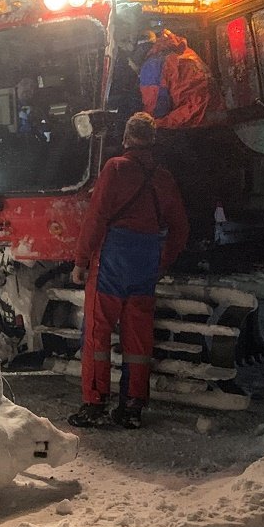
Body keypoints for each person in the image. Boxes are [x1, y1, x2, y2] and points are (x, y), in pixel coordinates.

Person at [68, 112, 190, 429]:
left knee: (97, 333)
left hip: (113, 259)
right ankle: (132, 406)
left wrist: (81, 261)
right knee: (138, 338)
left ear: (125, 139)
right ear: (152, 140)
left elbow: (96, 217)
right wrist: (160, 263)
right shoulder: (164, 178)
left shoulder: (116, 168)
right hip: (146, 260)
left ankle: (94, 404)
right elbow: (180, 229)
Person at [137, 27, 217, 129]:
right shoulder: (181, 50)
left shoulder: (153, 65)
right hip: (215, 112)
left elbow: (154, 110)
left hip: (195, 118)